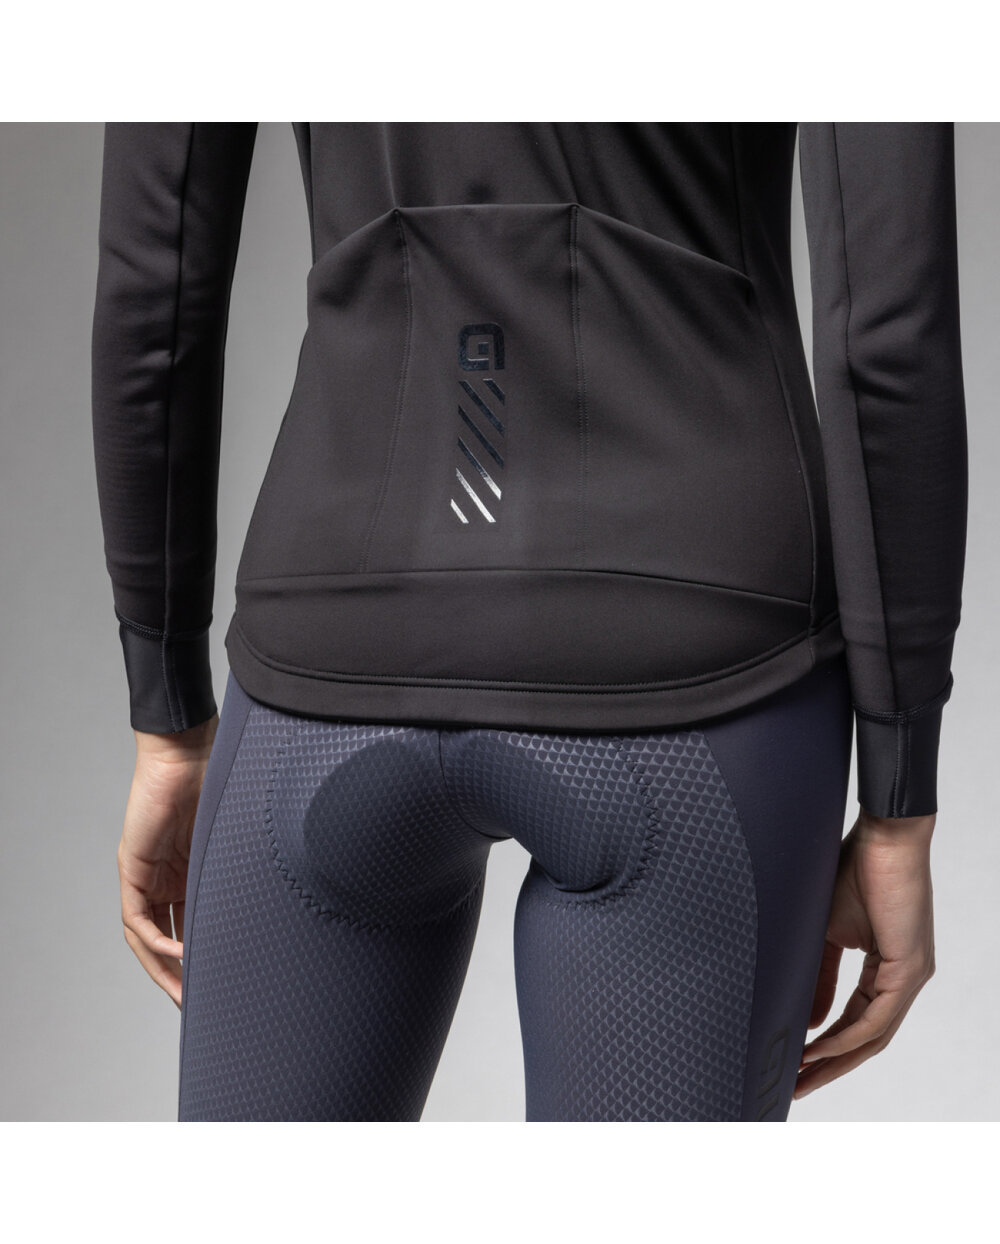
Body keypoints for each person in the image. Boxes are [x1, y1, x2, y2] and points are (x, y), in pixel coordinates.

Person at [91, 122, 968, 1121]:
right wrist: (898, 796)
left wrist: (166, 710)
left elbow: (154, 283)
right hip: (697, 664)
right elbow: (884, 331)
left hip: (333, 643)